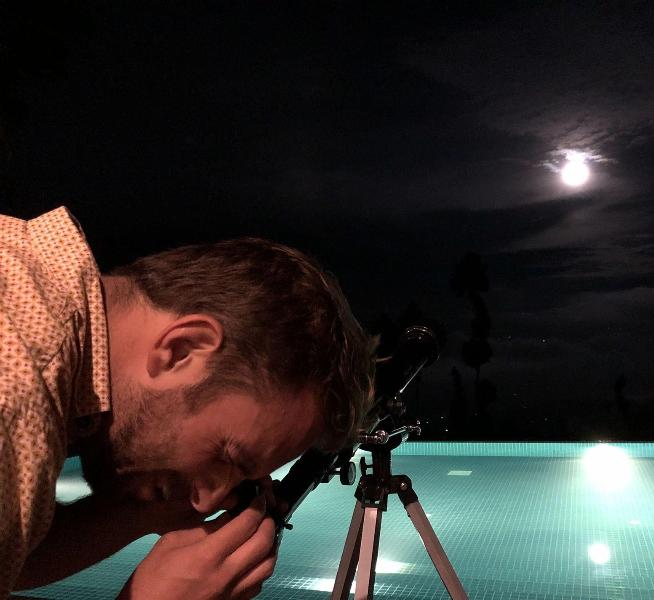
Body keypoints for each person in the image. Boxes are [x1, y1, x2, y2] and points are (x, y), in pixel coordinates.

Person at [0, 206, 375, 599]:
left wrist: (137, 512)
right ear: (182, 350)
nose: (205, 502)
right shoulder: (18, 398)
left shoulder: (30, 280)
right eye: (227, 456)